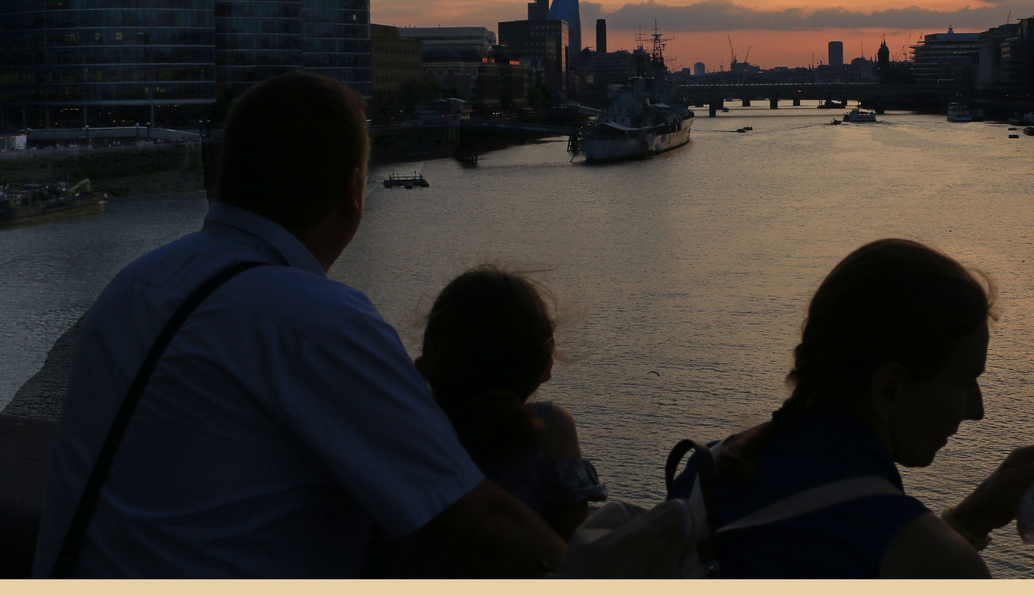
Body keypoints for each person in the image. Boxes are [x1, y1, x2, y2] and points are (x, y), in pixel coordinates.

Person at [31, 72, 566, 577]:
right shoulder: (324, 323)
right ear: (355, 192)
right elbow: (479, 523)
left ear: (227, 175)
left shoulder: (133, 286)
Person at [670, 238, 1034, 578]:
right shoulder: (925, 558)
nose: (976, 410)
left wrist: (968, 522)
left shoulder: (708, 470)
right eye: (965, 382)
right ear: (890, 389)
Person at [416, 268, 608, 540]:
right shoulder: (552, 429)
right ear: (547, 368)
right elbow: (576, 548)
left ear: (424, 366)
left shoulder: (411, 429)